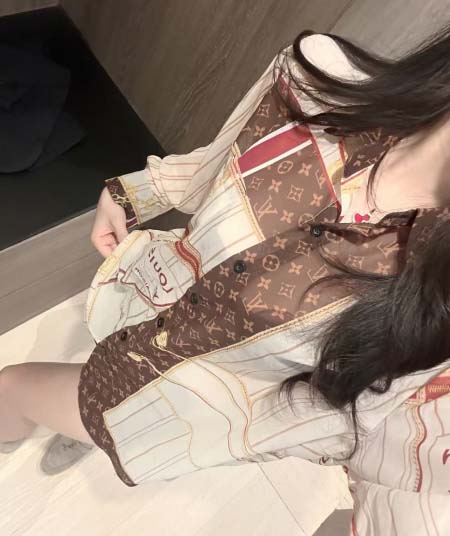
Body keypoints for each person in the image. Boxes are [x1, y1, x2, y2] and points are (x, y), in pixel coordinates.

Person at [2, 27, 450, 533]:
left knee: (11, 387)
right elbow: (214, 164)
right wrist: (139, 192)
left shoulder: (434, 319)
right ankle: (79, 420)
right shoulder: (315, 82)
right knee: (97, 353)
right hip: (152, 294)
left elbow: (403, 471)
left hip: (173, 406)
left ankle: (44, 427)